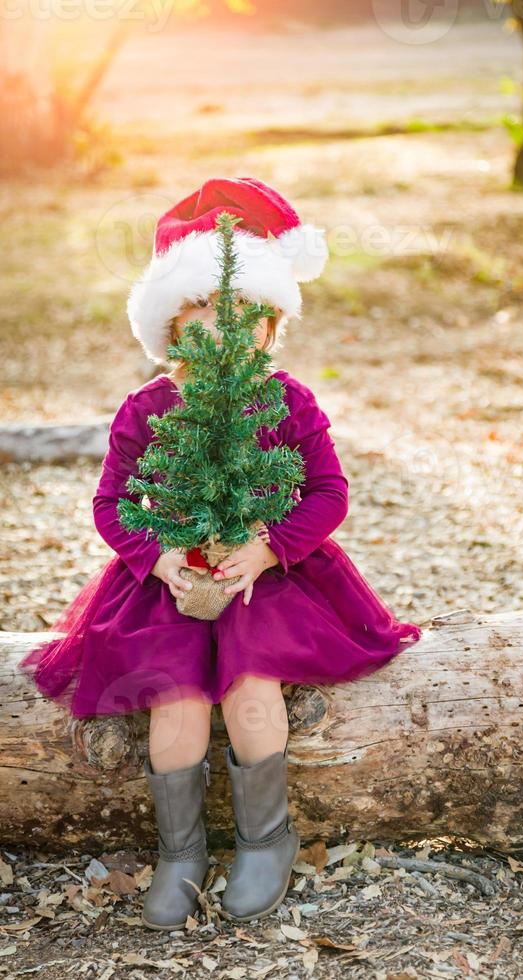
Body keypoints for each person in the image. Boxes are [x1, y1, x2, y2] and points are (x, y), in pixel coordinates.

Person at [18, 177, 423, 933]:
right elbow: (111, 505)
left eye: (242, 315)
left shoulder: (288, 401)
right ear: (170, 325)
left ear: (270, 328)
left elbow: (329, 493)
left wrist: (270, 549)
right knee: (175, 701)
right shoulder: (147, 408)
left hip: (268, 578)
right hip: (168, 580)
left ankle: (265, 841)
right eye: (202, 311)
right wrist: (158, 556)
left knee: (250, 691)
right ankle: (181, 853)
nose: (222, 329)